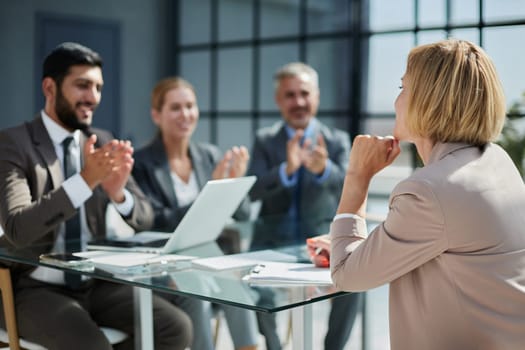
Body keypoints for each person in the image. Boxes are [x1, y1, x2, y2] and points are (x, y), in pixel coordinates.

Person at [308, 38, 525, 350]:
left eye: (402, 87)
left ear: (428, 100)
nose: (396, 101)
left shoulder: (429, 190)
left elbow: (346, 276)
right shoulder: (496, 160)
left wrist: (358, 176)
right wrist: (369, 245)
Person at [0, 42, 192, 350]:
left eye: (98, 87)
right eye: (82, 85)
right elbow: (18, 229)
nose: (93, 97)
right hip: (34, 288)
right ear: (49, 87)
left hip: (95, 283)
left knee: (175, 328)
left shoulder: (100, 140)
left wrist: (119, 195)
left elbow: (144, 217)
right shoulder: (13, 144)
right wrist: (85, 181)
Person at [132, 76, 259, 350]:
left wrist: (235, 183)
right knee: (197, 292)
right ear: (157, 115)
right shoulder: (141, 164)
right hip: (162, 264)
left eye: (190, 106)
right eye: (175, 108)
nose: (185, 114)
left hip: (208, 258)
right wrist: (206, 196)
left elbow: (244, 214)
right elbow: (151, 221)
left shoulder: (209, 155)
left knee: (238, 291)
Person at [247, 62, 361, 350]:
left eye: (304, 93)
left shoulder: (336, 141)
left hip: (321, 244)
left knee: (355, 285)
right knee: (257, 296)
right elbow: (254, 191)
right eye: (290, 95)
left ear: (317, 96)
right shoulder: (265, 140)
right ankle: (274, 346)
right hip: (271, 243)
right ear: (278, 100)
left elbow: (350, 188)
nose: (298, 102)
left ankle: (332, 347)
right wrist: (286, 169)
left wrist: (325, 168)